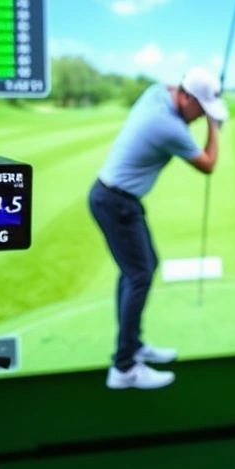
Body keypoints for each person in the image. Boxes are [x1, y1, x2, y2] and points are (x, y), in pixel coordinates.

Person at [89, 66, 227, 390]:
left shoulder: (156, 93)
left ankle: (133, 345)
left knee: (140, 269)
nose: (199, 117)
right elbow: (208, 165)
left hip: (115, 199)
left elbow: (171, 85)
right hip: (116, 202)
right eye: (200, 110)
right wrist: (214, 125)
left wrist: (205, 96)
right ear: (187, 97)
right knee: (139, 275)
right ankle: (124, 367)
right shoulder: (169, 127)